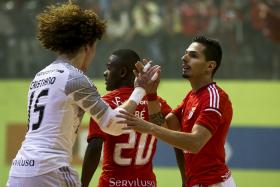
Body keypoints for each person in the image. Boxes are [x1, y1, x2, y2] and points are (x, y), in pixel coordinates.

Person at [6, 3, 160, 187]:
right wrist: (140, 89)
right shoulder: (75, 78)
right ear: (88, 47)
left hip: (19, 170)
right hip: (51, 170)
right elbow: (113, 125)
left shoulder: (40, 76)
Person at [117, 36, 236, 187]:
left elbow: (195, 143)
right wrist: (151, 94)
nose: (184, 58)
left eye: (193, 55)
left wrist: (148, 128)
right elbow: (163, 125)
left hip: (214, 183)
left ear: (210, 66)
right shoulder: (191, 97)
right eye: (186, 53)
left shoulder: (215, 97)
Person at [81, 49, 172, 187]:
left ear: (122, 72)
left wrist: (83, 184)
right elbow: (177, 138)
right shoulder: (156, 103)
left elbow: (95, 147)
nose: (105, 73)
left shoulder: (105, 104)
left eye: (109, 68)